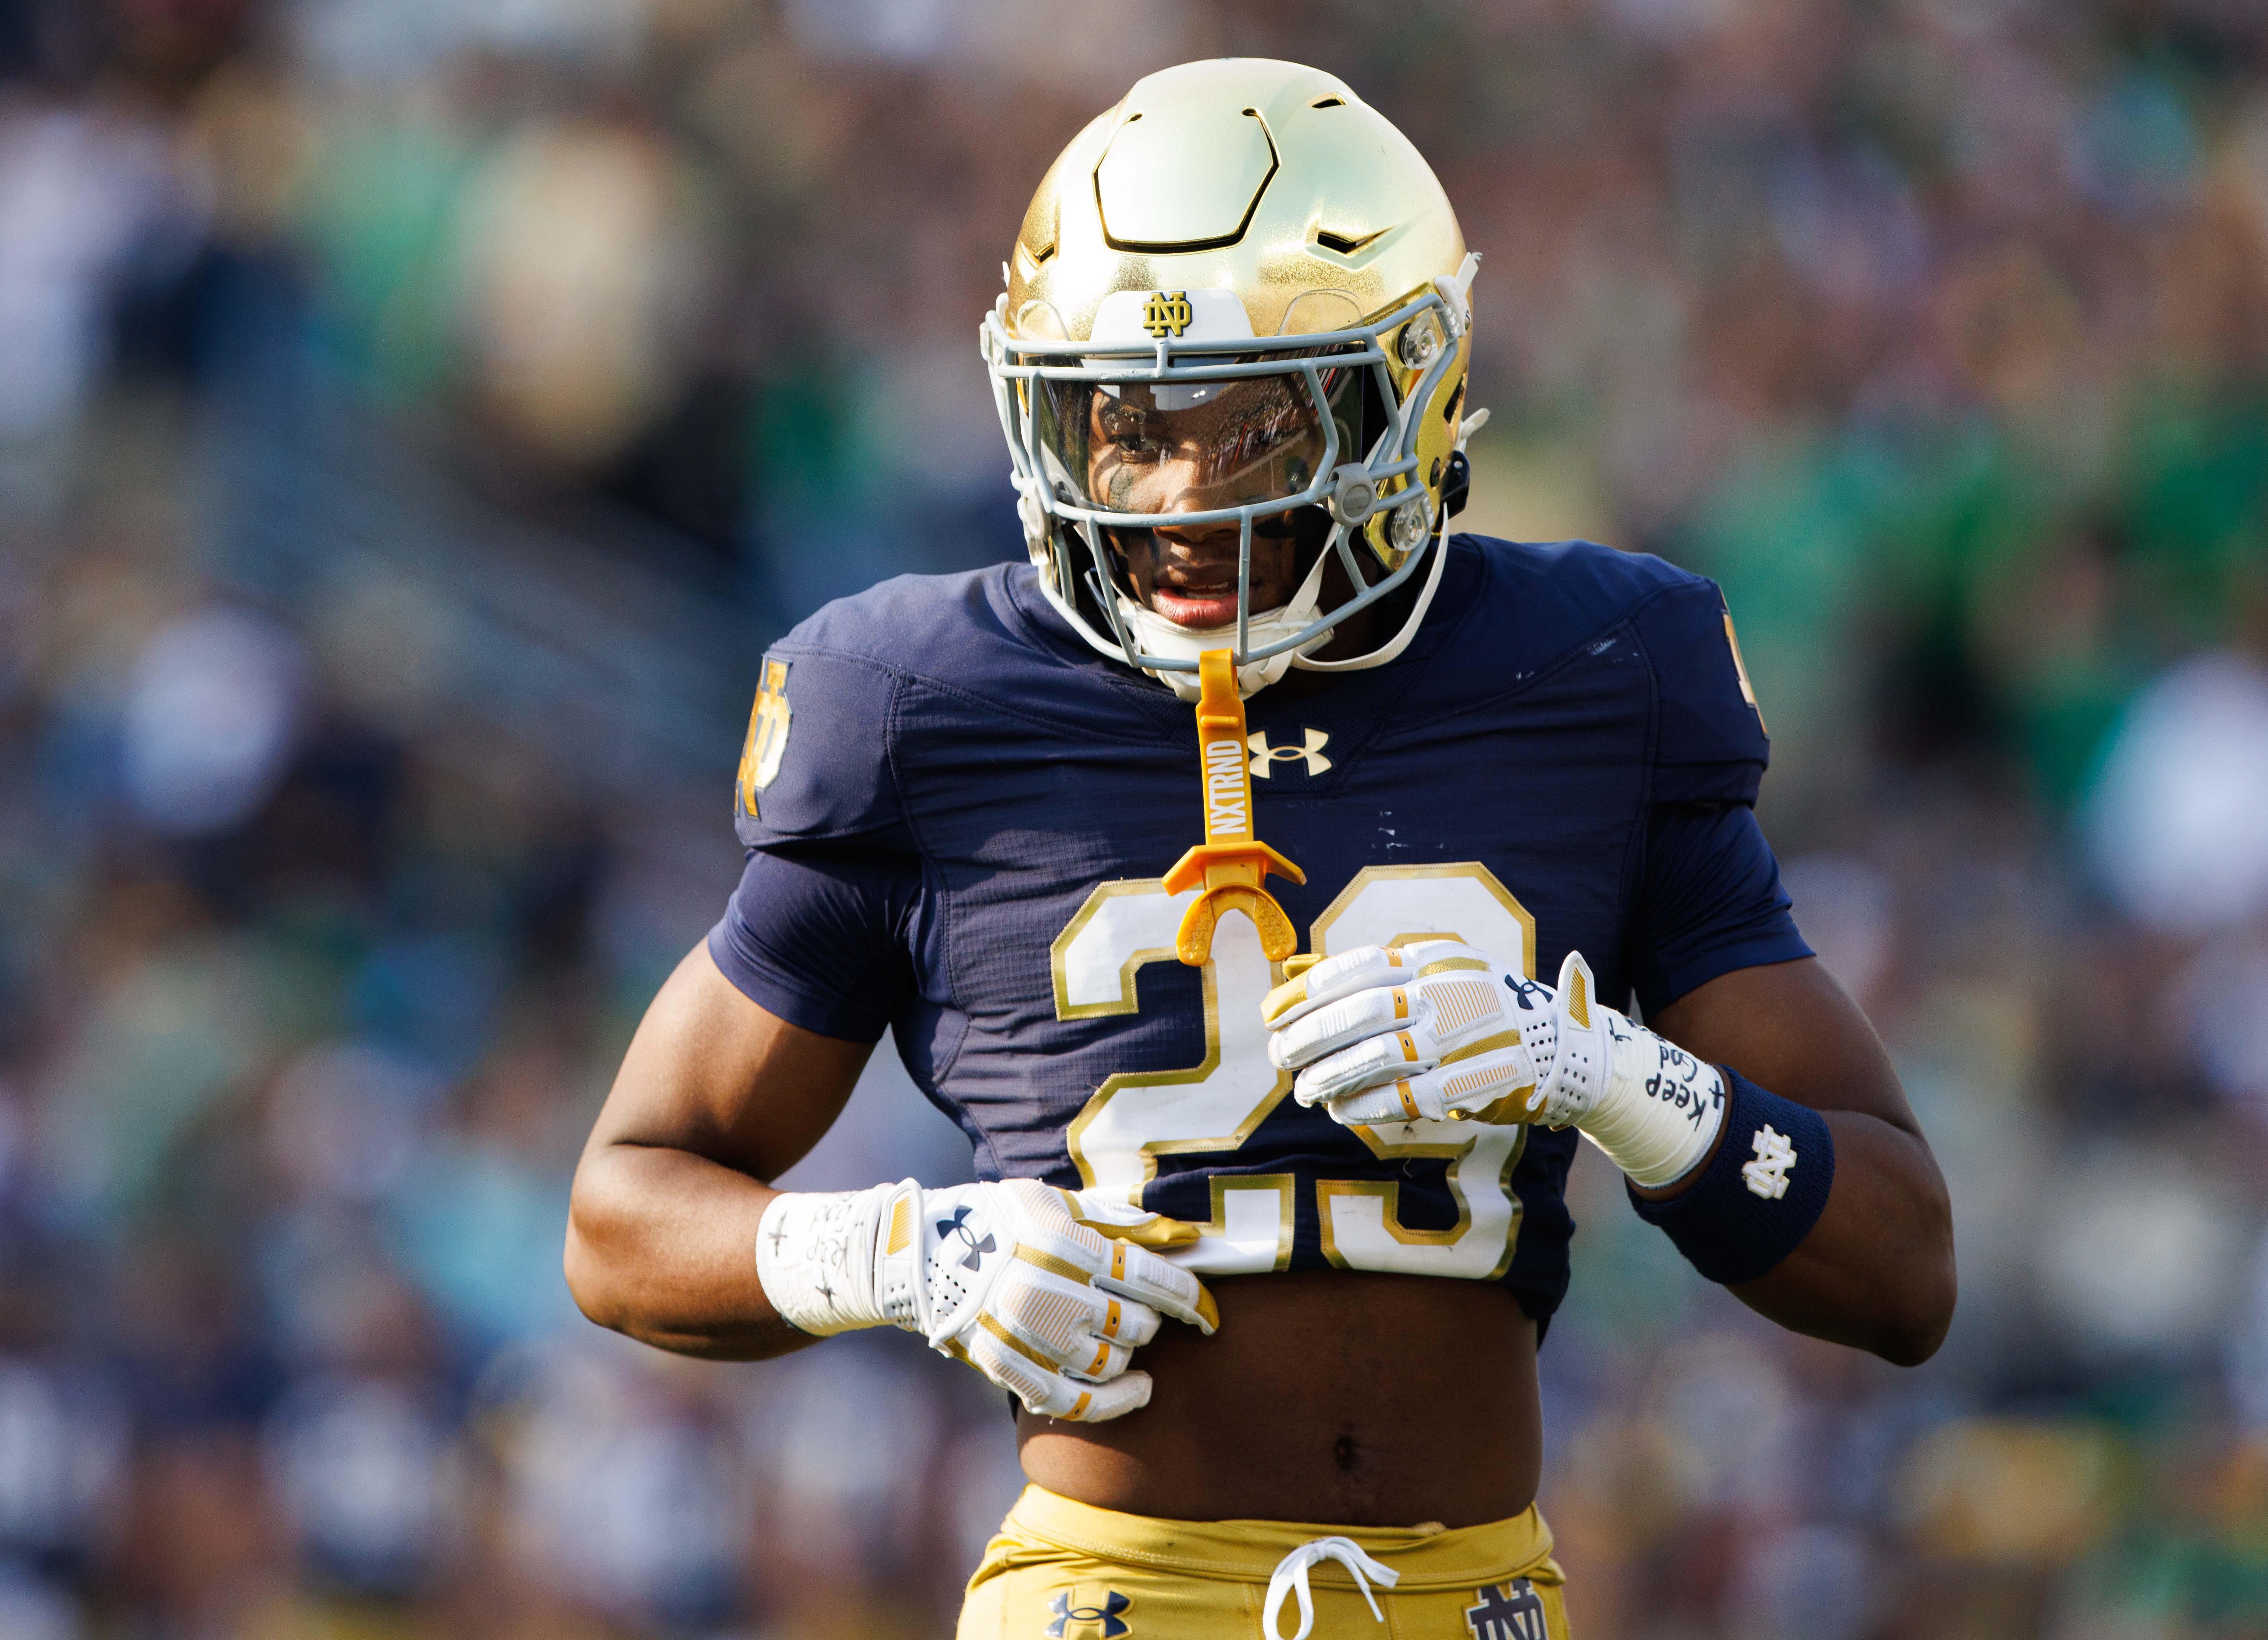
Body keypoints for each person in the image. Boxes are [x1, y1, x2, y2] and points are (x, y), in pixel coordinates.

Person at [565, 56, 1954, 1640]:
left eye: (1250, 429)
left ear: (1407, 389)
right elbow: (624, 1214)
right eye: (1117, 425)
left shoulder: (1594, 675)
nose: (1169, 499)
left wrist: (1607, 1076)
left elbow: (1902, 1265)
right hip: (1107, 1601)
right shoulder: (923, 703)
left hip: (1474, 1599)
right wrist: (909, 1249)